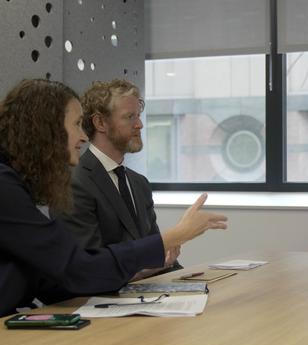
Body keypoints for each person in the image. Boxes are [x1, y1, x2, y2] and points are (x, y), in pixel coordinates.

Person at [0, 79, 228, 316]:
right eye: (76, 124)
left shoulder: (12, 184)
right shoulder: (5, 187)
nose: (83, 136)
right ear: (45, 128)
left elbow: (53, 280)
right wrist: (173, 236)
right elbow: (78, 269)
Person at [56, 79, 179, 280]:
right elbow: (89, 270)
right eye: (130, 117)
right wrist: (158, 262)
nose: (139, 124)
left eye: (138, 116)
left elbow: (157, 253)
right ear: (100, 123)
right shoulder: (74, 183)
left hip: (149, 298)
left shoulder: (139, 184)